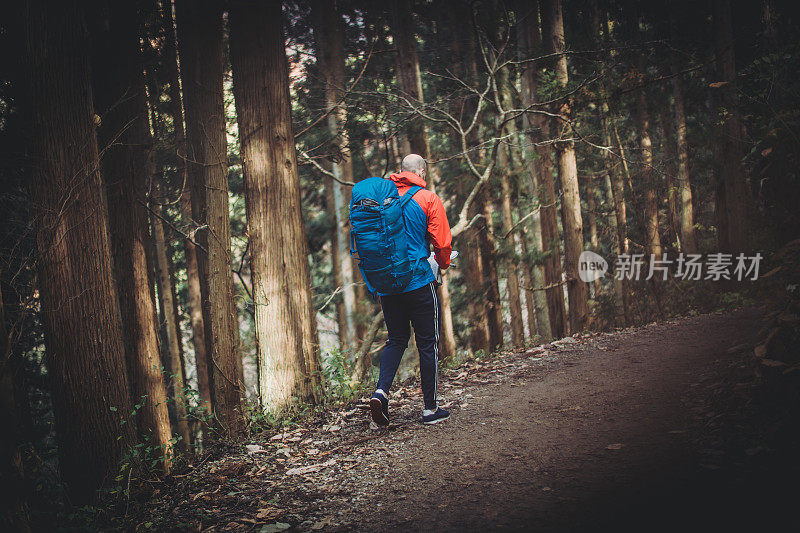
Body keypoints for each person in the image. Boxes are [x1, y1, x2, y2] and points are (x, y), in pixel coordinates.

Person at [369, 154, 453, 426]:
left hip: (389, 284)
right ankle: (430, 409)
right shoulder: (427, 198)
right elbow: (441, 243)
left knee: (396, 339)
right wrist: (443, 264)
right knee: (427, 342)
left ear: (400, 171)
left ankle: (381, 393)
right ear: (422, 171)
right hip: (418, 280)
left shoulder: (383, 198)